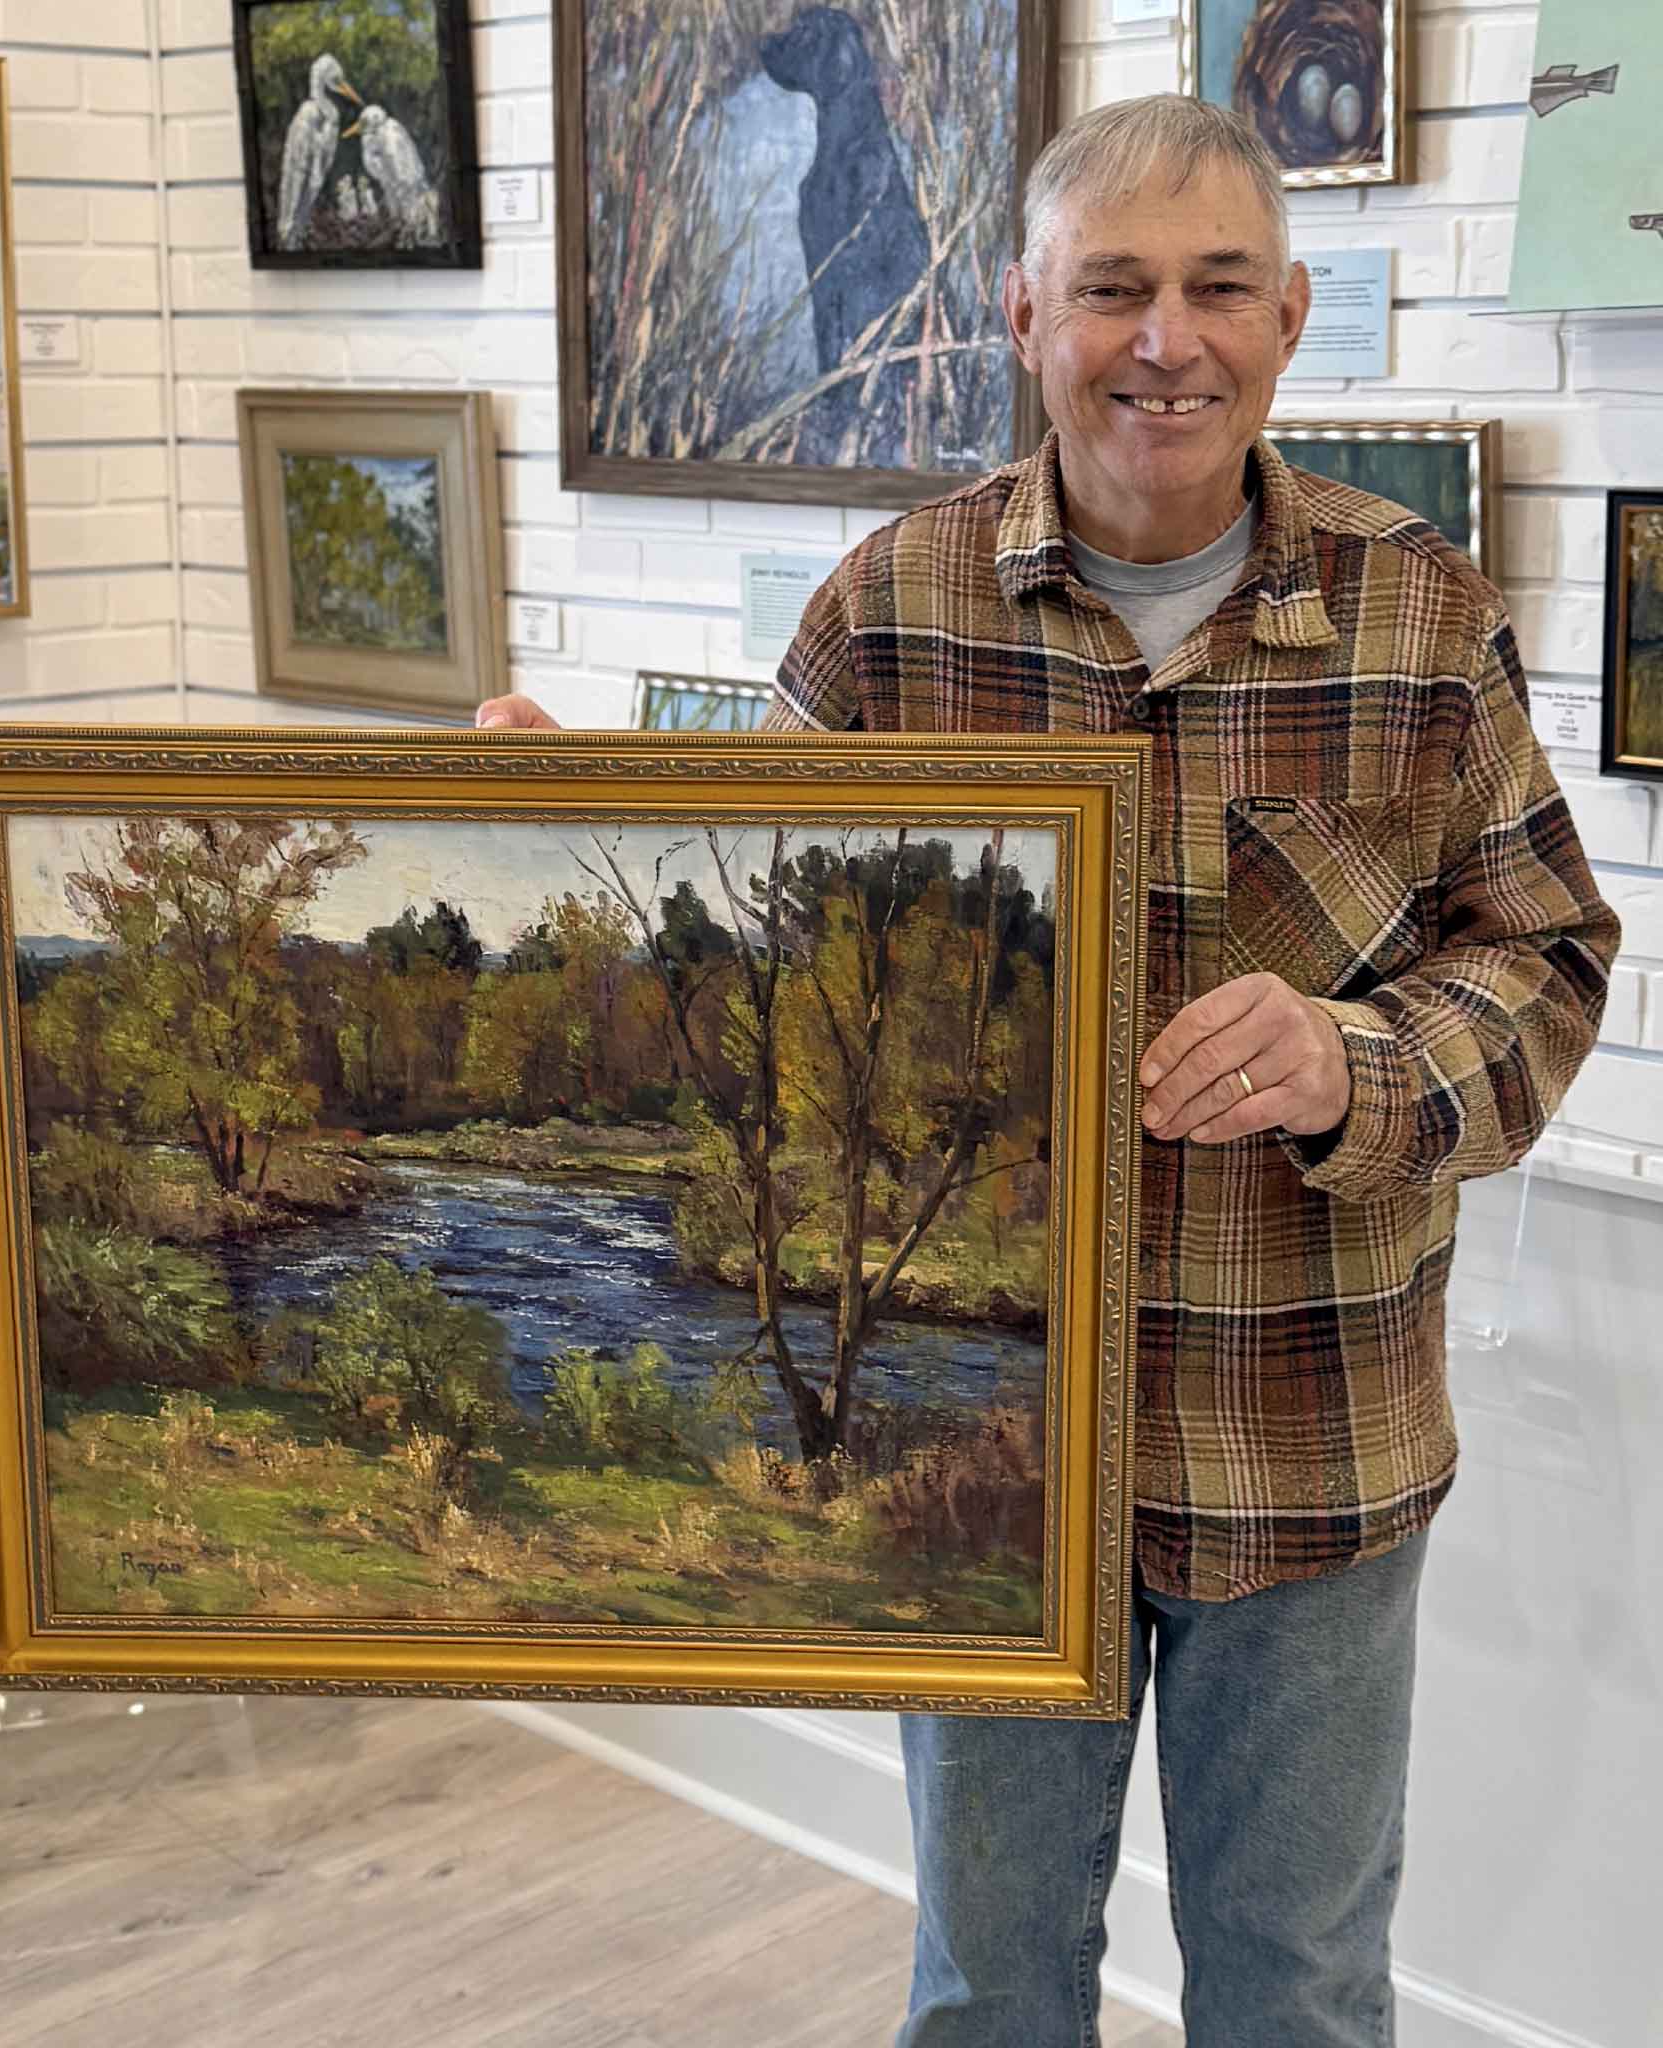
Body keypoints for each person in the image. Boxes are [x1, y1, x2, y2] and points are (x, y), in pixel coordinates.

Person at [479, 94, 1620, 2048]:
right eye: (1112, 289)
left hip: (1309, 1450)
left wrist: (1356, 1056)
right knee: (989, 1993)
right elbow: (736, 950)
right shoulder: (888, 612)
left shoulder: (1419, 613)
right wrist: (523, 844)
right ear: (1022, 314)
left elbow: (1547, 957)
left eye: (1213, 289)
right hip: (987, 1467)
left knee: (1300, 1994)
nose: (1161, 340)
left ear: (1287, 318)